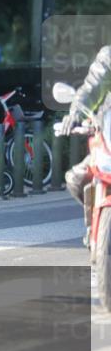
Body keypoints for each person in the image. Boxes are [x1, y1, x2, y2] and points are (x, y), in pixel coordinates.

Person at [61, 45, 111, 246]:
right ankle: (94, 226)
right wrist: (77, 113)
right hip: (110, 141)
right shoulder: (109, 58)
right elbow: (92, 87)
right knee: (78, 178)